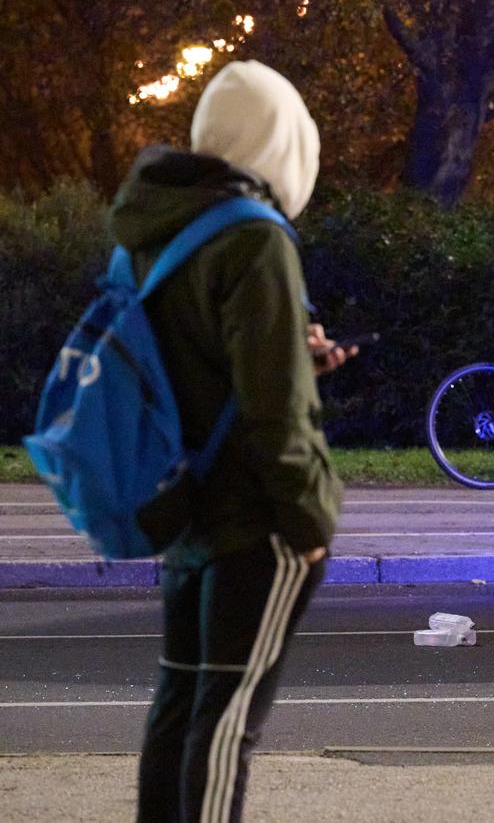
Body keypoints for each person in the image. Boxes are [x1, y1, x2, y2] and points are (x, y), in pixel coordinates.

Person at [120, 61, 352, 822]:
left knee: (180, 701)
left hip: (183, 503)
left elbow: (196, 361)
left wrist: (295, 348)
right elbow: (273, 409)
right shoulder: (255, 238)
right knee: (227, 723)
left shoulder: (157, 231)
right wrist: (311, 522)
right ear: (282, 142)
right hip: (254, 516)